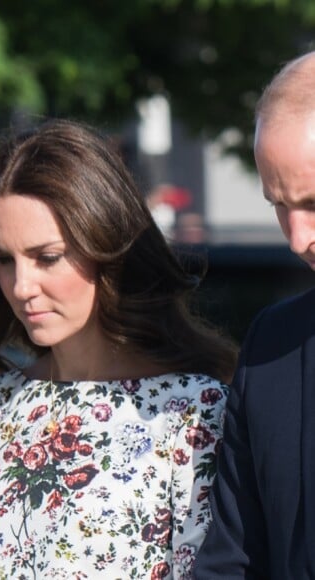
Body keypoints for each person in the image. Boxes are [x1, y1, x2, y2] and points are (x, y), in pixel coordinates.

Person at [0, 119, 238, 578]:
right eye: (4, 259)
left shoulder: (192, 412)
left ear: (107, 249)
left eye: (47, 257)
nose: (22, 286)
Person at [194, 51, 315, 578]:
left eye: (313, 203)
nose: (297, 238)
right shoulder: (272, 345)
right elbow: (233, 556)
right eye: (278, 204)